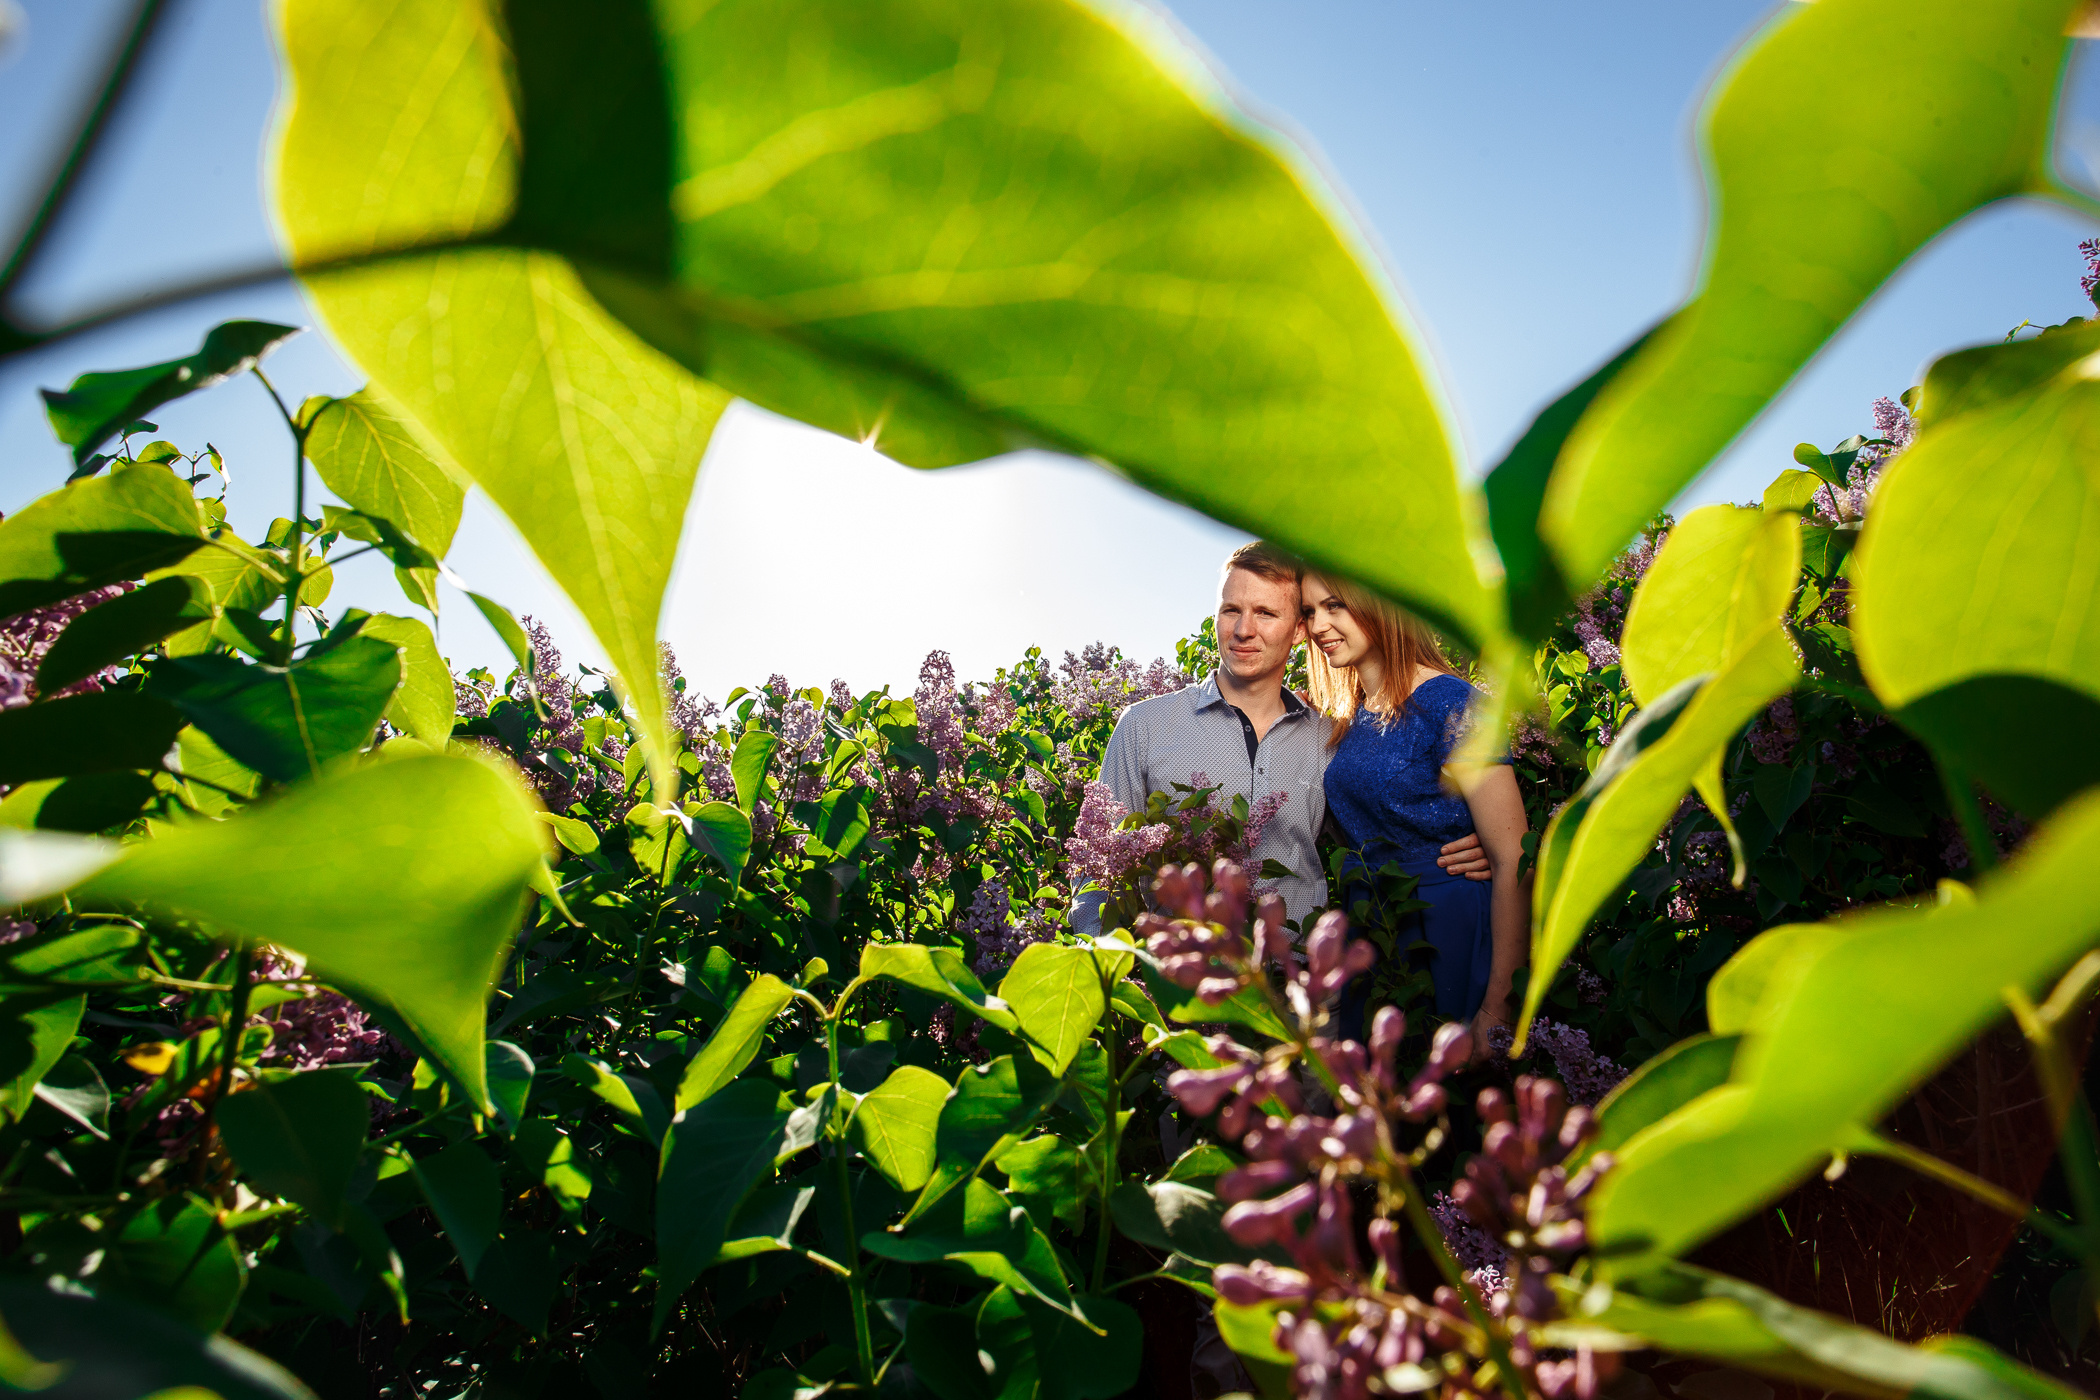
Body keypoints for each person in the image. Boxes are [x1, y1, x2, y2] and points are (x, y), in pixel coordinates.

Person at [1075, 541, 1487, 937]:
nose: (1243, 630)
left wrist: (1469, 847)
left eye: (1266, 613)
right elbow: (1099, 870)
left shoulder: (1331, 738)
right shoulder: (1145, 726)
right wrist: (1113, 972)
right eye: (1231, 610)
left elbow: (1377, 832)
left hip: (1300, 977)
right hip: (1182, 978)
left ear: (1300, 630)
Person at [1301, 569, 1530, 1056]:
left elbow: (1514, 858)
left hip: (1446, 924)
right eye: (1309, 611)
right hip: (1375, 930)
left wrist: (1499, 1008)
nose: (1318, 626)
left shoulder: (1452, 703)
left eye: (1335, 605)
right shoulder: (1351, 716)